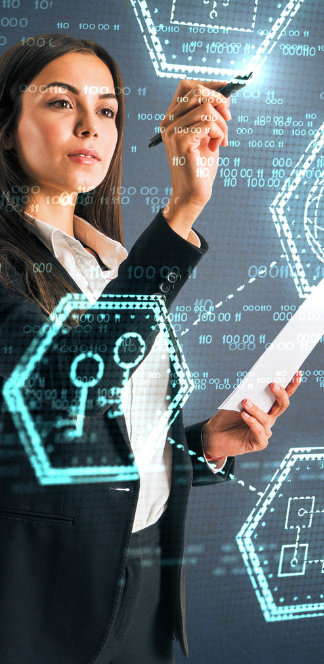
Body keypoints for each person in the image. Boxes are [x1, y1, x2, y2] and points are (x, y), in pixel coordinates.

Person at [0, 34, 301, 664]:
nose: (91, 126)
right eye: (61, 104)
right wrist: (183, 210)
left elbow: (105, 447)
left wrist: (201, 445)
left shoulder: (112, 262)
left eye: (107, 111)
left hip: (145, 586)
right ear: (6, 128)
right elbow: (68, 391)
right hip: (46, 603)